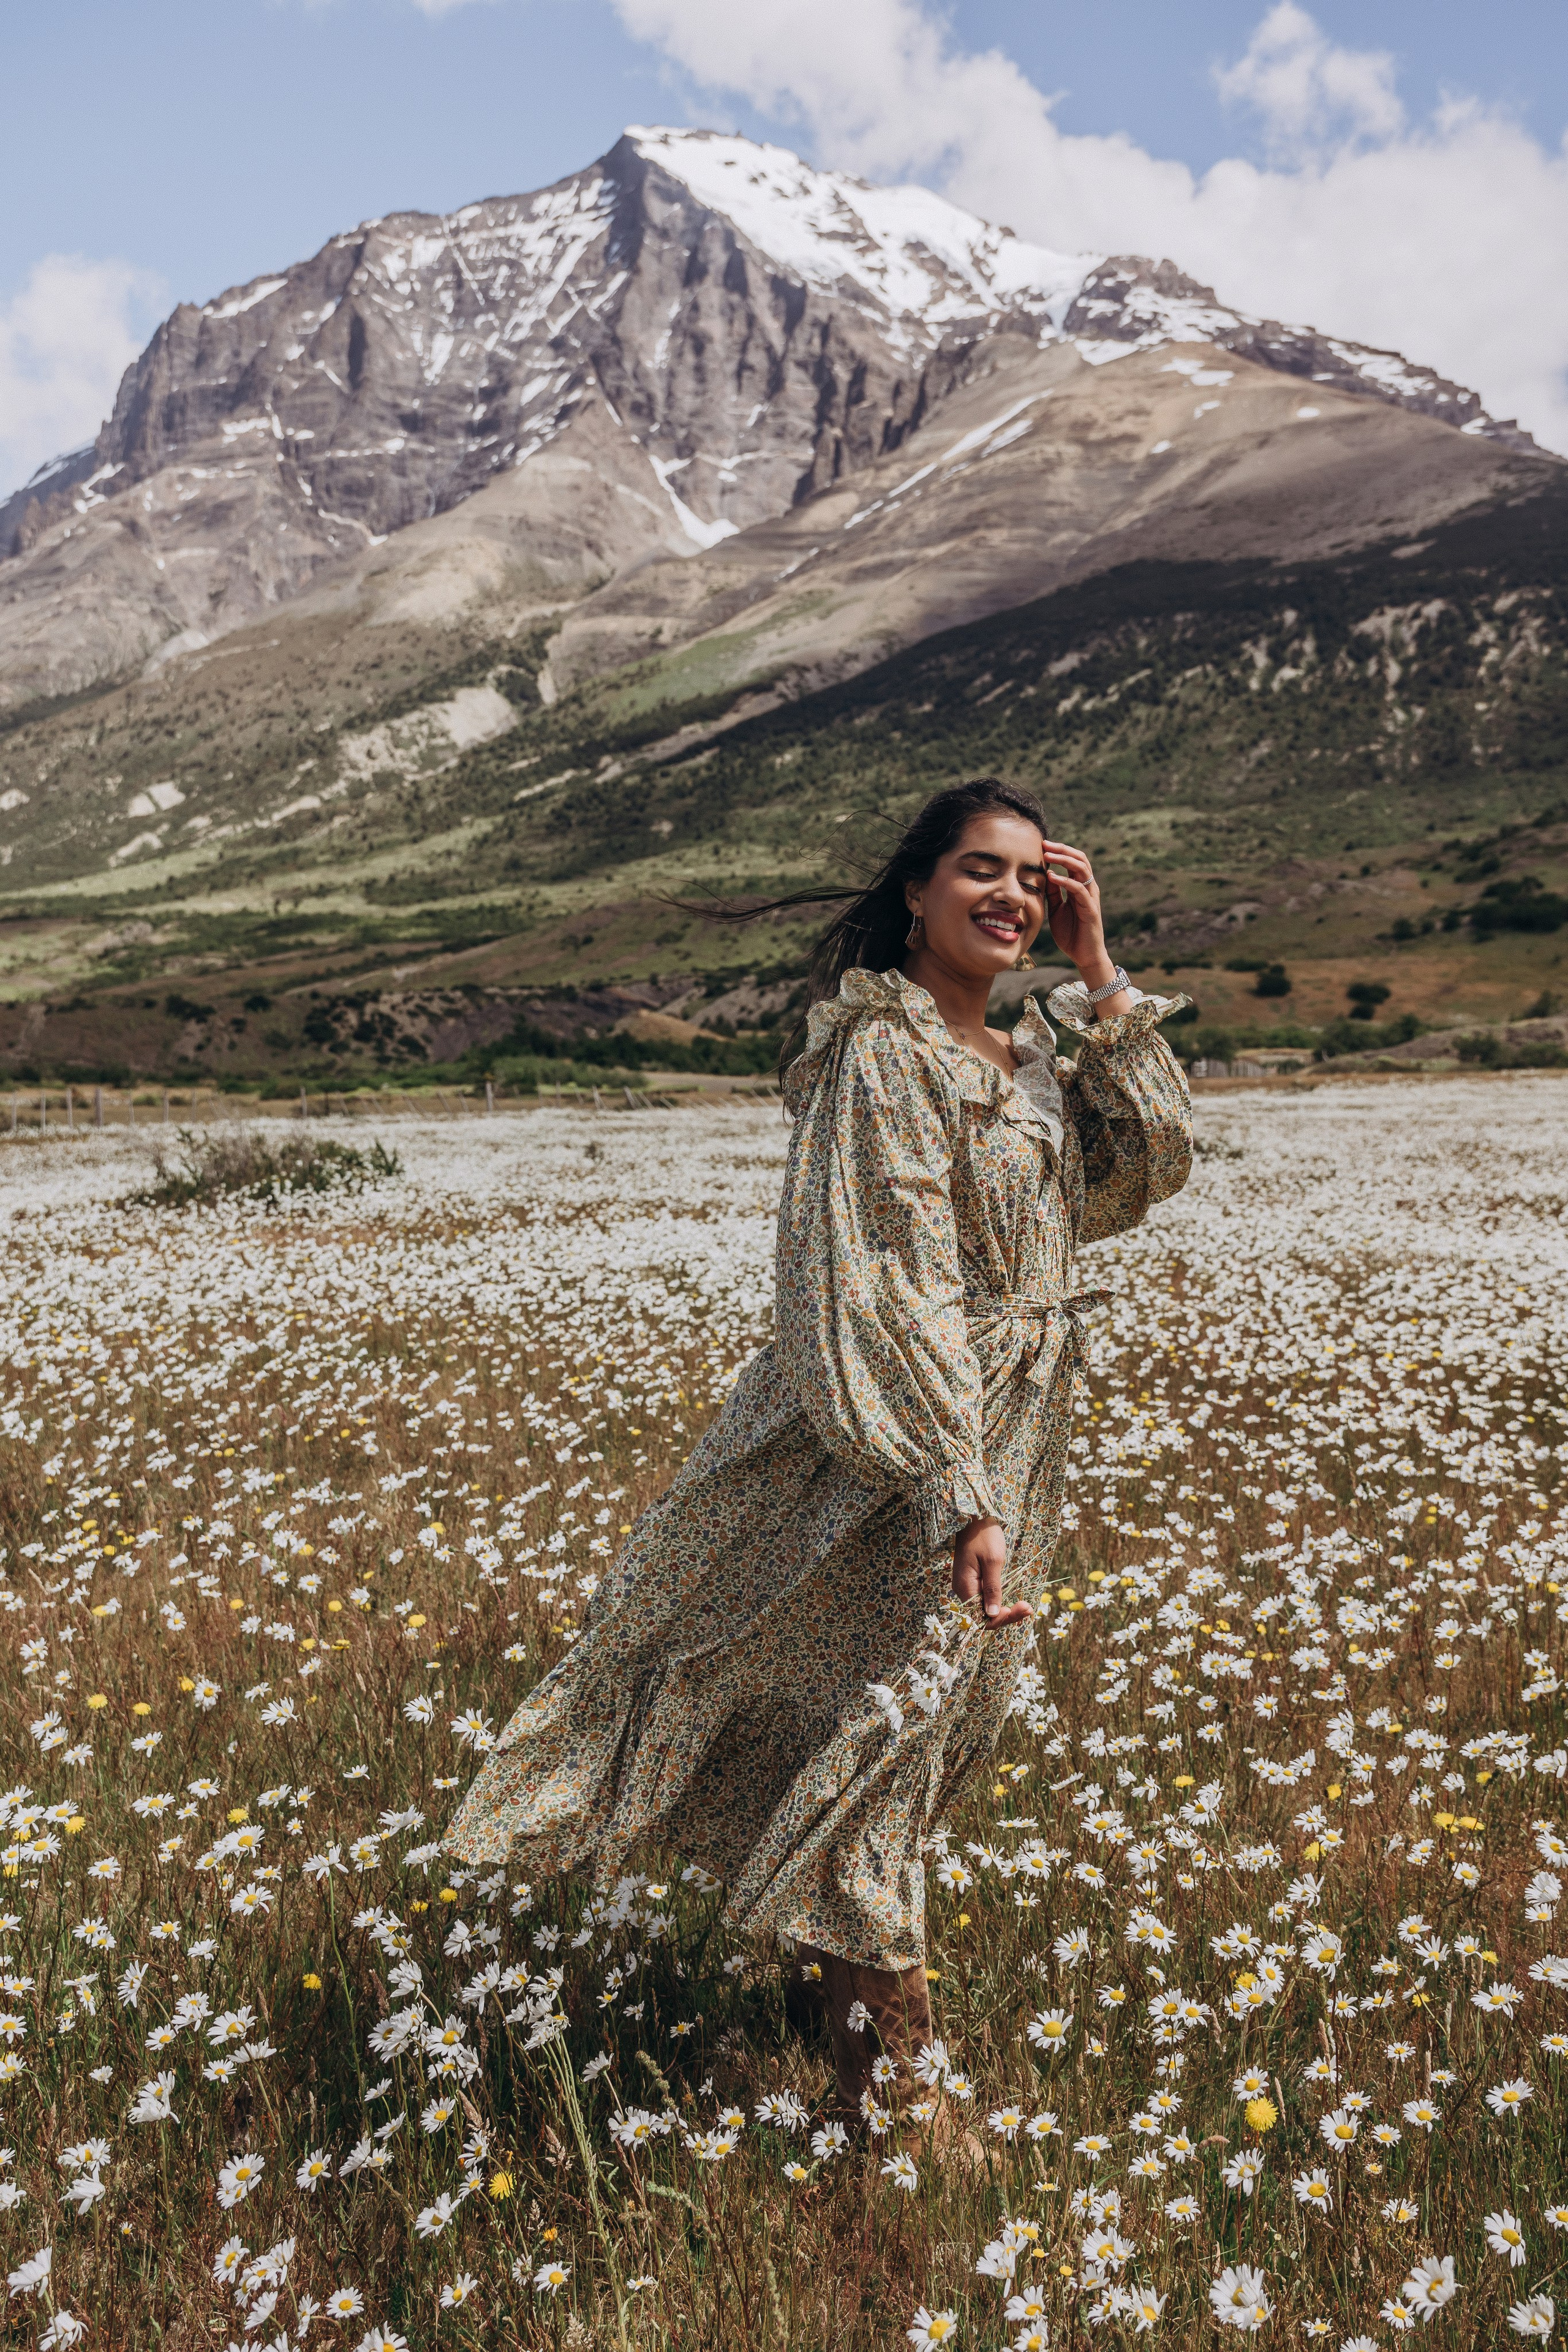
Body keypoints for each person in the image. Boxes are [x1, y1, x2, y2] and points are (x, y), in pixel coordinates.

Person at [443, 778, 1192, 2129]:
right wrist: (952, 1494)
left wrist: (1098, 976)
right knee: (883, 1733)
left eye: (1034, 877)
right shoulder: (878, 1055)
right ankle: (900, 2117)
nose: (1009, 896)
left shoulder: (1017, 1062)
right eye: (978, 869)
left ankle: (821, 2013)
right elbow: (885, 1283)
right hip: (881, 1455)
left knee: (897, 1725)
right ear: (914, 891)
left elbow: (1138, 1175)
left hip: (991, 1434)